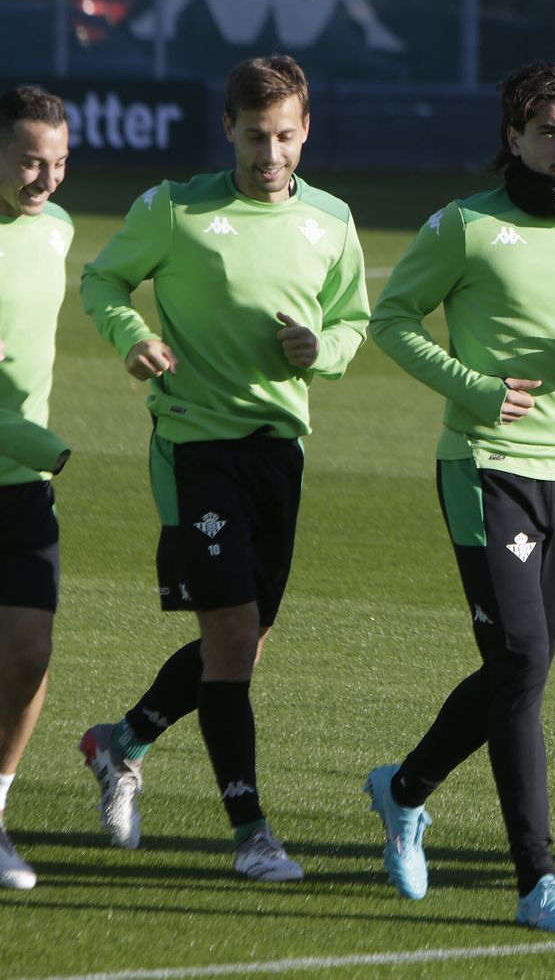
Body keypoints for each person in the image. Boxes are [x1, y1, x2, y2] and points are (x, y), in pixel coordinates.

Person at [363, 62, 555, 934]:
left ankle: (404, 789)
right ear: (514, 138)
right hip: (484, 465)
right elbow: (392, 320)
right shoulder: (468, 225)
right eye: (548, 131)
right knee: (524, 663)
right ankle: (537, 880)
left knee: (516, 669)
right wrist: (475, 388)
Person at [78, 54, 369, 882]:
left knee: (241, 641)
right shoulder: (175, 208)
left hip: (280, 450)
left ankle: (120, 743)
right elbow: (103, 281)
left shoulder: (332, 220)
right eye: (253, 137)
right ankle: (252, 835)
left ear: (306, 131)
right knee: (233, 636)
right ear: (228, 130)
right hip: (195, 447)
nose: (269, 154)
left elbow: (352, 321)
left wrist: (322, 349)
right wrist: (134, 337)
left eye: (284, 136)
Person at [0, 85, 73, 892]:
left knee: (29, 650)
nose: (46, 179)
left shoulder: (57, 229)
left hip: (21, 482)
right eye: (29, 161)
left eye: (58, 163)